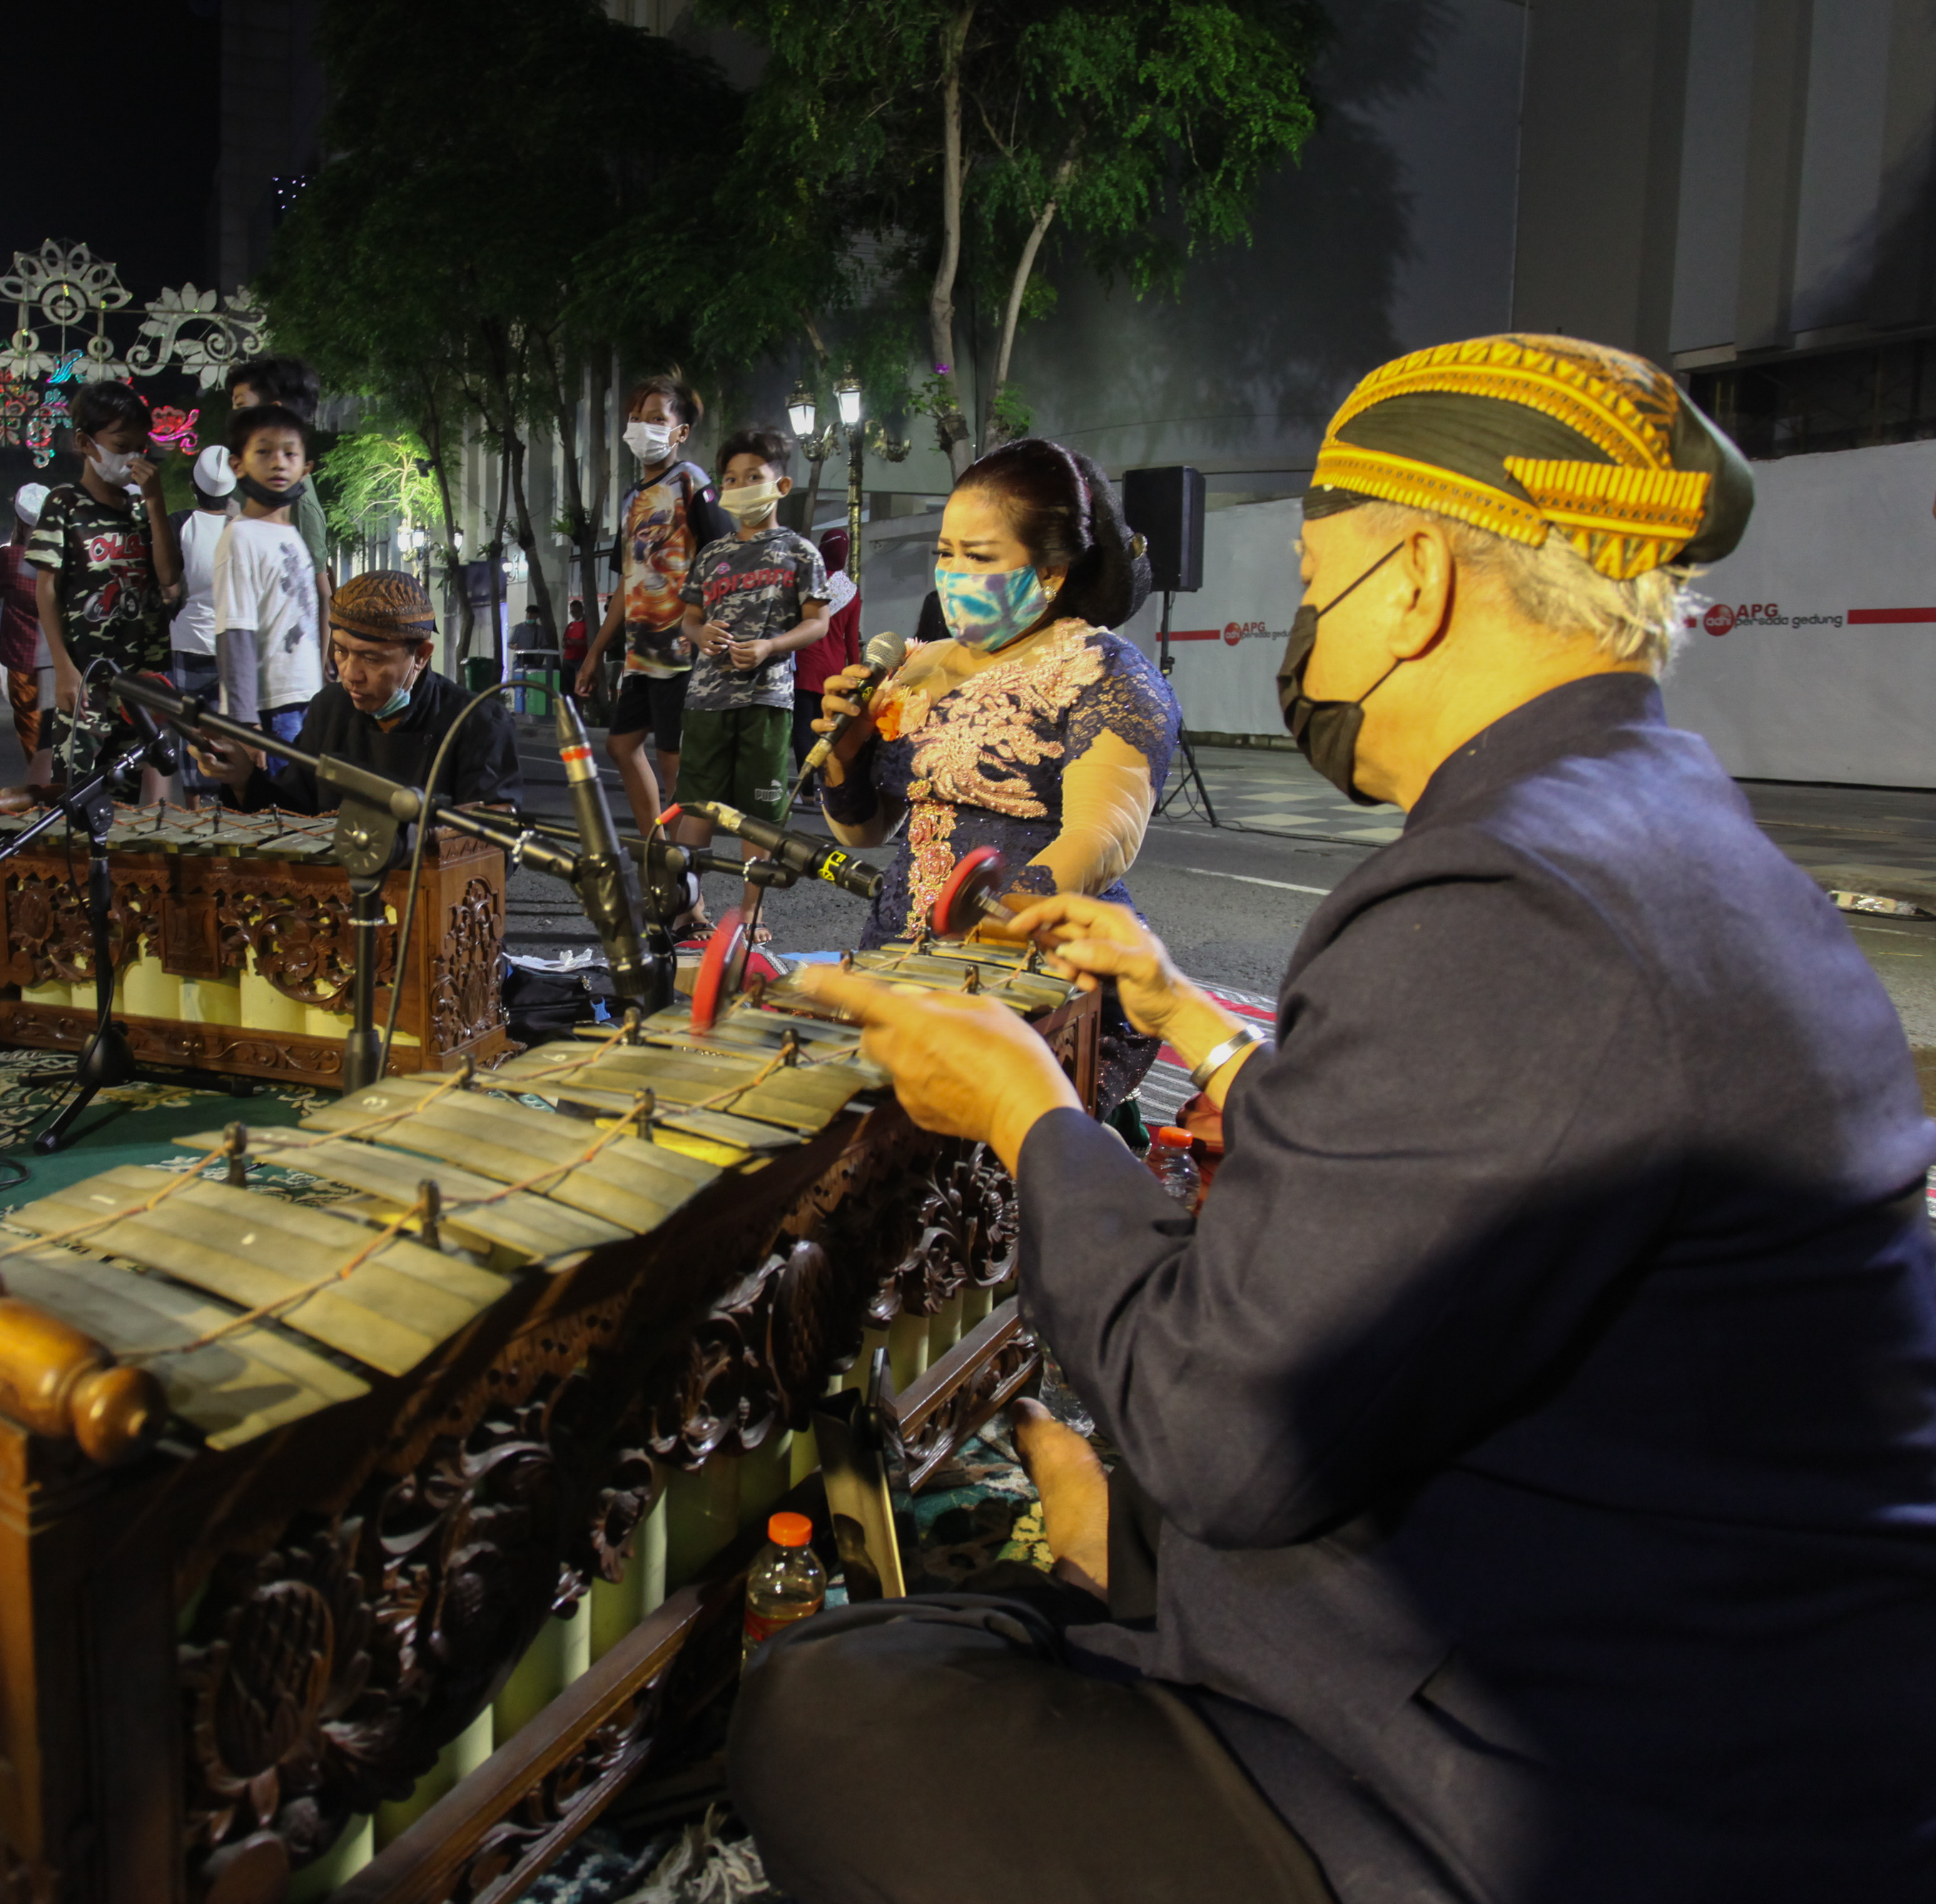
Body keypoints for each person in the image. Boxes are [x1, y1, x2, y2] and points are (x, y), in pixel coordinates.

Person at [731, 334, 1936, 1904]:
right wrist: (1183, 1014)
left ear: (1414, 584)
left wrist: (1029, 1115)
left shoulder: (1507, 890)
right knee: (1099, 1548)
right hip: (1699, 1671)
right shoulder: (1672, 833)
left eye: (1315, 579)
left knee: (837, 1699)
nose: (1304, 631)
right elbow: (1440, 1190)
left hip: (1579, 1791)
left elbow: (1226, 1437)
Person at [812, 437, 1177, 1109]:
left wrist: (983, 937)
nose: (954, 575)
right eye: (945, 554)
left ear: (1052, 571)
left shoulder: (1104, 672)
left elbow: (1102, 840)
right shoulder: (918, 665)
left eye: (979, 557)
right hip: (902, 954)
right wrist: (846, 755)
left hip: (1032, 969)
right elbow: (864, 833)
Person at [671, 427, 831, 923]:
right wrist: (699, 636)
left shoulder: (800, 552)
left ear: (781, 487)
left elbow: (817, 621)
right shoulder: (712, 555)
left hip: (767, 701)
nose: (741, 486)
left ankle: (750, 913)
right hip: (706, 702)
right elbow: (689, 617)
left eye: (754, 477)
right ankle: (687, 906)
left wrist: (770, 645)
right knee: (696, 807)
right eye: (732, 478)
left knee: (757, 818)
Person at [195, 571, 519, 815]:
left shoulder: (478, 723)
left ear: (421, 655)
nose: (350, 673)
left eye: (371, 657)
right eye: (341, 652)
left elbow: (492, 848)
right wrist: (242, 779)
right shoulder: (330, 707)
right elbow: (295, 812)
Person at [572, 374, 731, 834]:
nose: (643, 427)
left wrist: (710, 635)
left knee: (673, 763)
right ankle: (656, 847)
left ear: (680, 432)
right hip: (642, 656)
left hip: (683, 654)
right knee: (621, 746)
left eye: (657, 419)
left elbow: (720, 560)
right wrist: (597, 651)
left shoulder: (692, 483)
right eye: (637, 418)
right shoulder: (632, 499)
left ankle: (686, 877)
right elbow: (629, 582)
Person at [26, 383, 183, 797]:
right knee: (76, 796)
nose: (133, 457)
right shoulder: (64, 504)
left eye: (141, 447)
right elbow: (47, 591)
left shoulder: (140, 509)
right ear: (85, 443)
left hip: (136, 681)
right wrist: (62, 668)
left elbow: (168, 577)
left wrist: (155, 503)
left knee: (125, 796)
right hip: (84, 678)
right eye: (121, 445)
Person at [213, 405, 325, 746]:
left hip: (305, 699)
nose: (279, 463)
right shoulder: (240, 536)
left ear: (305, 468)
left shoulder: (290, 533)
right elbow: (235, 631)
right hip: (270, 710)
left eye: (290, 453)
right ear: (237, 465)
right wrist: (244, 722)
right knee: (277, 799)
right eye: (263, 452)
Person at [227, 355, 330, 629]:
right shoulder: (245, 490)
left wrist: (317, 669)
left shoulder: (299, 503)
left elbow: (320, 594)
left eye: (240, 406)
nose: (234, 417)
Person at [0, 482, 59, 784]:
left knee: (30, 730)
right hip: (57, 656)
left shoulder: (9, 556)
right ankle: (55, 789)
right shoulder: (62, 554)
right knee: (54, 733)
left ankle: (38, 795)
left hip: (21, 656)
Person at [793, 528, 861, 805]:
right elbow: (852, 640)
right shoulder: (853, 592)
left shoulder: (810, 582)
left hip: (804, 664)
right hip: (832, 672)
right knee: (826, 732)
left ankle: (805, 791)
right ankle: (826, 787)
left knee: (801, 730)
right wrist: (857, 678)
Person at [169, 445, 238, 719]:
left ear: (192, 487)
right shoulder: (245, 528)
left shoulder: (179, 523)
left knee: (193, 735)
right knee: (232, 735)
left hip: (189, 644)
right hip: (236, 647)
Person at [559, 595, 590, 701]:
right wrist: (566, 644)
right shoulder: (571, 625)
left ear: (581, 610)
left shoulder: (587, 625)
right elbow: (564, 641)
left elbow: (589, 641)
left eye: (576, 612)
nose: (574, 615)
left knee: (580, 685)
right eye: (572, 612)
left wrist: (576, 642)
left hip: (580, 659)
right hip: (568, 658)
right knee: (568, 686)